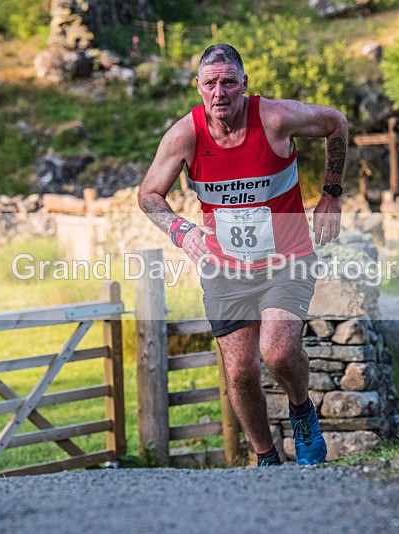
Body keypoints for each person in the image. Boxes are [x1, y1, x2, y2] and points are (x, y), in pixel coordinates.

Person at [138, 43, 347, 466]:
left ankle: (302, 411)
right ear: (198, 87)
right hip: (224, 269)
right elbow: (148, 195)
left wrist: (331, 194)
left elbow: (335, 123)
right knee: (240, 371)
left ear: (244, 84)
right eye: (210, 83)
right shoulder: (184, 135)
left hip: (286, 259)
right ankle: (266, 458)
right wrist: (180, 230)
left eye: (229, 82)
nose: (220, 93)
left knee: (279, 352)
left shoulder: (274, 119)